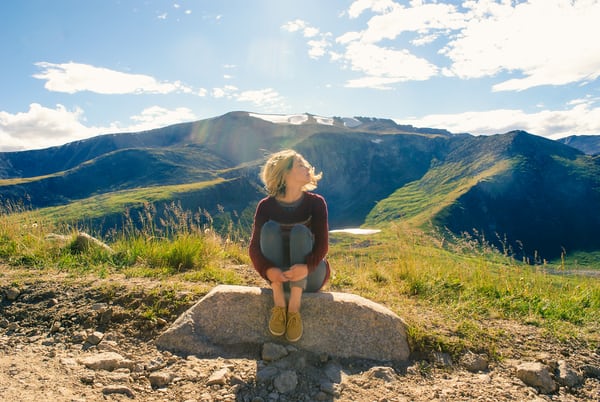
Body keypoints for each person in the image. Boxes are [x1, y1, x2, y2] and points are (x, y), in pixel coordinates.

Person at [249, 149, 330, 342]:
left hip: (310, 275)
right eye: (300, 165)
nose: (307, 168)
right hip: (280, 276)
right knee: (269, 229)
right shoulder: (266, 206)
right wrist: (269, 272)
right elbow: (254, 248)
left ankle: (293, 308)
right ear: (285, 173)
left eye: (305, 164)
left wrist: (306, 267)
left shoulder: (316, 203)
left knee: (300, 232)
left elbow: (322, 247)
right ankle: (279, 303)